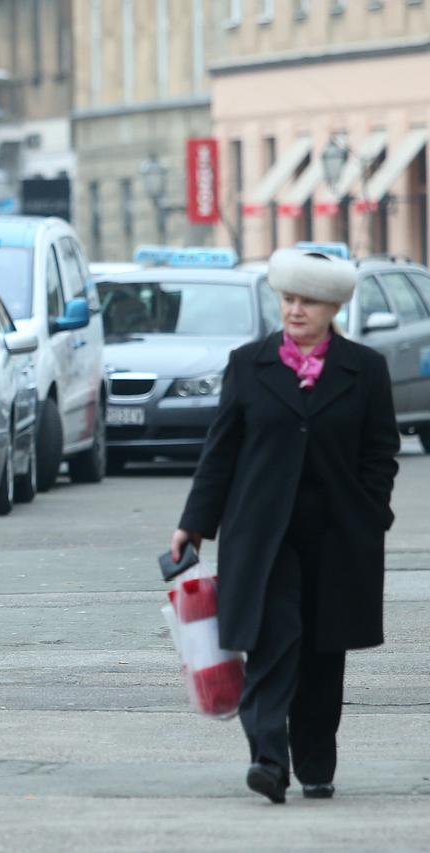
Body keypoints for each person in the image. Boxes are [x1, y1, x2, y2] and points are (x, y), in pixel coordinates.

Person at [170, 248, 400, 804]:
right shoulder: (248, 365)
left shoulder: (365, 369)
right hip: (262, 536)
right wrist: (194, 524)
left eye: (309, 301)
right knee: (274, 643)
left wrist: (372, 513)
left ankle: (316, 764)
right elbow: (219, 454)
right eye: (289, 299)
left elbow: (381, 454)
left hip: (338, 536)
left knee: (324, 652)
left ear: (333, 306)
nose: (296, 311)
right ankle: (268, 759)